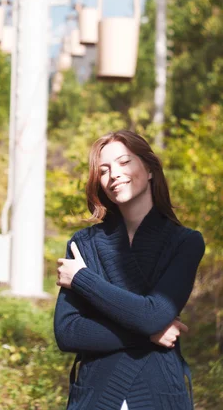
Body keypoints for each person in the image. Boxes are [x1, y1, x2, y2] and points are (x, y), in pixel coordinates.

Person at [54, 130, 205, 410]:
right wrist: (149, 335)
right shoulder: (82, 244)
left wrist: (82, 279)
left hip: (160, 393)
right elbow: (68, 331)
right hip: (95, 395)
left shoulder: (185, 242)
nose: (114, 175)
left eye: (124, 162)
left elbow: (154, 314)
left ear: (148, 168)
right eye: (104, 170)